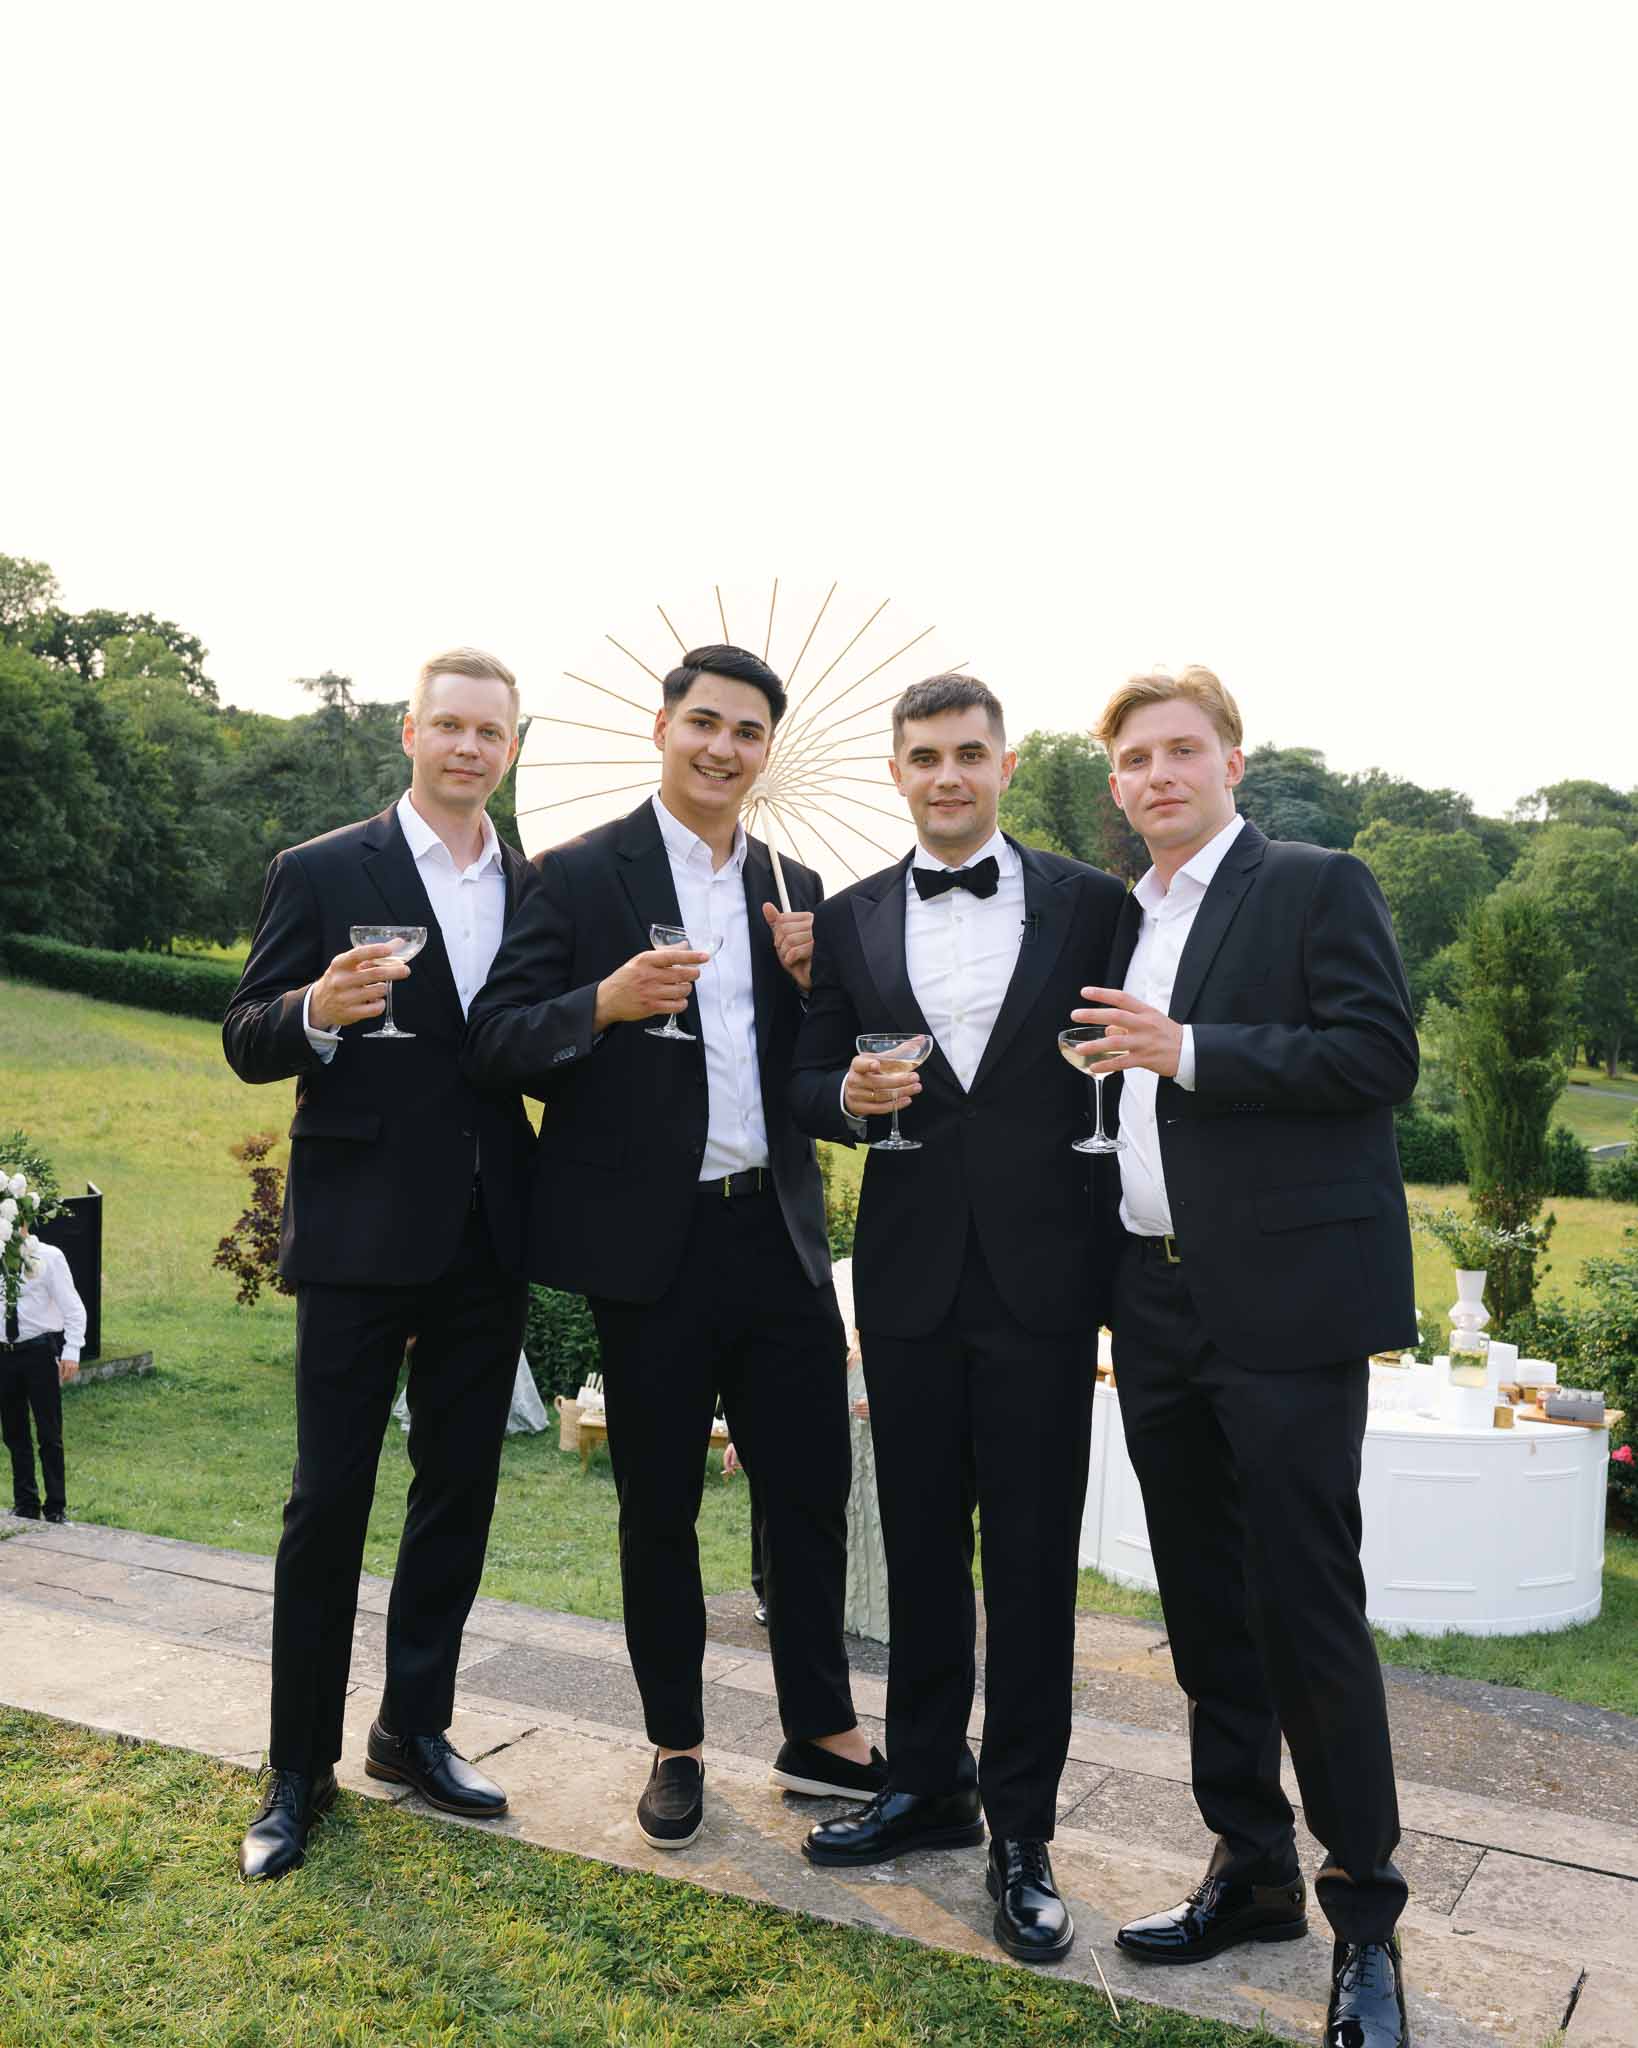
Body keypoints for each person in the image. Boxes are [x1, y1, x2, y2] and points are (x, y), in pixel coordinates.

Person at [463, 643, 882, 1853]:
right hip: (652, 1249)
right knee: (660, 1506)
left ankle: (822, 1728)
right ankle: (677, 1741)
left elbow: (814, 1076)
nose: (723, 748)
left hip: (782, 1230)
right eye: (704, 722)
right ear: (663, 727)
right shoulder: (579, 873)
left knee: (809, 1491)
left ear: (766, 750)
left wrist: (825, 997)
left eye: (748, 732)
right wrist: (602, 1002)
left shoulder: (802, 885)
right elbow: (496, 1043)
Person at [1072, 667, 1417, 2048]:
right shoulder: (1122, 916)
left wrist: (1188, 1049)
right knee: (1205, 1609)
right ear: (1114, 785)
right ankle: (1251, 1871)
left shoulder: (1314, 883)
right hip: (1150, 1302)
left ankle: (1368, 1924)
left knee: (1305, 1607)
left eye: (1181, 751)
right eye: (1135, 759)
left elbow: (1375, 1056)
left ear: (1230, 761)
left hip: (1283, 1304)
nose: (1158, 774)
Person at [788, 673, 1126, 1966]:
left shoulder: (1093, 906)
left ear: (1005, 762)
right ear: (895, 769)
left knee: (1032, 1568)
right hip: (912, 1277)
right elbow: (810, 1075)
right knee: (921, 1547)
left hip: (1047, 1284)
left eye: (967, 755)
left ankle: (1024, 1833)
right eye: (923, 756)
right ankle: (925, 1781)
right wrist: (853, 1097)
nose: (945, 775)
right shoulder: (855, 913)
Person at [222, 647, 539, 1882]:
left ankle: (413, 1728)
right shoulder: (321, 867)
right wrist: (314, 1009)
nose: (468, 746)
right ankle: (295, 1768)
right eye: (449, 724)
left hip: (487, 1227)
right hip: (358, 1229)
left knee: (458, 1488)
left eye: (490, 732)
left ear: (513, 745)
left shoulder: (535, 881)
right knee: (327, 1501)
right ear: (410, 731)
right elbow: (247, 1036)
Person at [2, 1222, 87, 1524]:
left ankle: (56, 1506)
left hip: (38, 1352)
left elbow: (74, 1308)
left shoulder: (49, 1257)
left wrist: (72, 1350)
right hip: (4, 1354)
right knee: (14, 1432)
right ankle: (25, 1503)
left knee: (49, 1432)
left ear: (24, 1222)